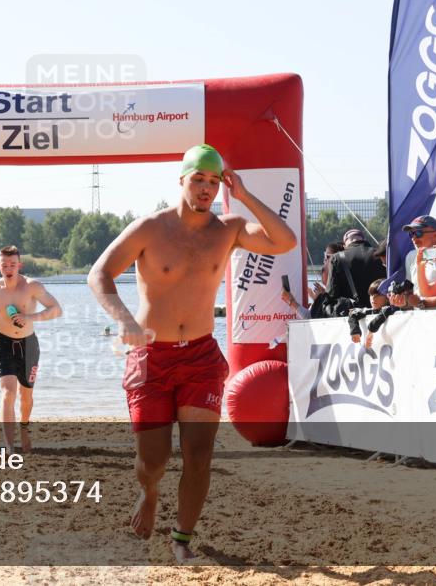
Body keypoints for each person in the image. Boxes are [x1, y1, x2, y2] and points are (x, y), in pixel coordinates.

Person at [87, 144, 296, 562]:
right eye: (198, 179)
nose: (206, 188)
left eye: (214, 181)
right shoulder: (150, 228)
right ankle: (149, 493)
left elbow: (284, 241)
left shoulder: (229, 229)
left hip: (200, 357)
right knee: (154, 460)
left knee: (199, 455)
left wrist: (244, 194)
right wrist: (125, 320)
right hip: (151, 357)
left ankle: (181, 539)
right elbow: (100, 274)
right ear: (181, 179)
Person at [0, 245, 63, 454]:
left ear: (19, 265)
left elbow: (56, 310)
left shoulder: (32, 286)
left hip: (28, 346)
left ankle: (24, 428)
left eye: (12, 264)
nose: (8, 268)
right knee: (8, 392)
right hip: (2, 343)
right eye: (4, 265)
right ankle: (9, 446)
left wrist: (30, 317)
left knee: (26, 396)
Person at [320, 229, 385, 314]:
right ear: (364, 240)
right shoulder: (380, 254)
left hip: (352, 315)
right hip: (381, 313)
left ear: (345, 245)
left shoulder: (337, 258)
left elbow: (332, 295)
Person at [402, 215, 436, 295]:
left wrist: (422, 301)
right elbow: (410, 288)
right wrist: (403, 298)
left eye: (418, 233)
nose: (413, 238)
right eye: (411, 233)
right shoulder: (411, 256)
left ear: (435, 235)